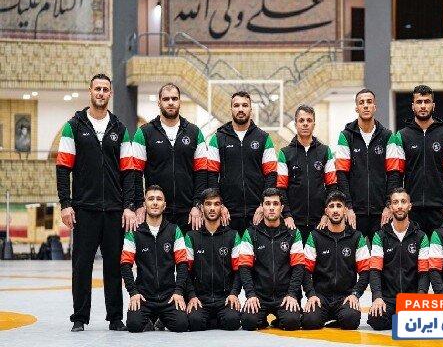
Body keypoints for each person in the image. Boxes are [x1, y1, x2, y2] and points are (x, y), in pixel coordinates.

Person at [56, 73, 135, 332]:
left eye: (105, 89)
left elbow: (129, 172)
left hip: (113, 210)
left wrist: (128, 206)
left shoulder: (120, 129)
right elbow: (63, 168)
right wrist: (65, 203)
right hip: (84, 209)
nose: (101, 93)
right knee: (82, 266)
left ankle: (115, 317)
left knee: (114, 266)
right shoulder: (73, 126)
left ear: (110, 93)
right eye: (97, 89)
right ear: (90, 91)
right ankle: (79, 317)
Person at [132, 82, 211, 233]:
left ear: (179, 101)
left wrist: (197, 204)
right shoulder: (144, 133)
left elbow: (202, 174)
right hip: (156, 211)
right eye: (166, 99)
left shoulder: (195, 133)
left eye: (174, 99)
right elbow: (135, 173)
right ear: (159, 102)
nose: (170, 102)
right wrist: (139, 204)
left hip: (188, 213)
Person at [120, 185, 189, 333]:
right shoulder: (134, 232)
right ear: (145, 204)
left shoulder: (174, 230)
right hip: (144, 296)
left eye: (159, 199)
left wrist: (178, 291)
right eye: (151, 199)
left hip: (168, 296)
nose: (155, 202)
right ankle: (151, 319)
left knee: (182, 324)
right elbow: (125, 265)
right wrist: (133, 293)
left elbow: (183, 264)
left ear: (164, 205)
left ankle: (161, 318)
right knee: (134, 325)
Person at [334, 89, 401, 240]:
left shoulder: (387, 136)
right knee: (355, 254)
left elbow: (393, 173)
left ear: (375, 107)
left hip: (381, 212)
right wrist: (348, 207)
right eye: (361, 102)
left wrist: (388, 205)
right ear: (356, 108)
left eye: (369, 102)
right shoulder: (346, 136)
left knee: (381, 253)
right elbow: (341, 174)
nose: (365, 105)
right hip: (354, 213)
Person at [392, 85, 443, 237]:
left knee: (438, 251)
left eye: (427, 102)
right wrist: (397, 203)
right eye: (419, 102)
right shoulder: (402, 135)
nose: (423, 106)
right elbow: (397, 174)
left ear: (433, 105)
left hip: (439, 209)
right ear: (413, 106)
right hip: (411, 208)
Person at [207, 91, 277, 234]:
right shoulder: (218, 138)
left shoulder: (264, 138)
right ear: (231, 109)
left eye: (245, 105)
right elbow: (211, 175)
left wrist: (262, 205)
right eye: (236, 105)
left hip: (256, 213)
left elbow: (271, 175)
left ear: (251, 109)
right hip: (227, 213)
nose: (240, 109)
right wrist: (220, 205)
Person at [302, 191, 370, 330]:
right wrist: (311, 295)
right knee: (309, 321)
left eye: (339, 206)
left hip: (345, 297)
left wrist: (355, 294)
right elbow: (305, 270)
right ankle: (324, 316)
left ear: (345, 210)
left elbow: (365, 272)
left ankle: (340, 317)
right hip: (321, 297)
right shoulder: (314, 236)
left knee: (351, 320)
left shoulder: (357, 237)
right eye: (331, 206)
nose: (335, 210)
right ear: (326, 211)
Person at [238, 188, 304, 331]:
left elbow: (299, 267)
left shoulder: (293, 233)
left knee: (292, 322)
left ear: (282, 207)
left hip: (285, 296)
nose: (272, 208)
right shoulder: (250, 233)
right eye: (267, 204)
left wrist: (292, 294)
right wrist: (251, 295)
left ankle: (280, 319)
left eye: (275, 204)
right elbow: (244, 267)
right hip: (260, 297)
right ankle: (260, 319)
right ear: (262, 207)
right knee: (248, 322)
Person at [272, 105, 337, 241]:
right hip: (293, 222)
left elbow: (332, 186)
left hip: (320, 221)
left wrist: (326, 214)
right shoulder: (285, 153)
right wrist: (287, 215)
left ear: (314, 124)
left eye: (309, 120)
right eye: (301, 120)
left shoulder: (325, 151)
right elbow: (281, 188)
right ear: (296, 124)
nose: (305, 124)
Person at [368, 188, 429, 331]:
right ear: (390, 207)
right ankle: (402, 319)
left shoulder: (421, 237)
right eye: (395, 202)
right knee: (376, 320)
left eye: (403, 202)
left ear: (410, 206)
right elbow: (375, 270)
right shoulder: (379, 236)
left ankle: (402, 318)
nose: (400, 206)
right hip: (387, 299)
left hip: (412, 299)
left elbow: (424, 273)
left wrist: (420, 297)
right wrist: (377, 297)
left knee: (420, 322)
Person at [186, 188, 241, 331]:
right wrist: (192, 296)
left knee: (233, 322)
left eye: (216, 204)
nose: (212, 208)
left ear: (221, 208)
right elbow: (185, 271)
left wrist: (234, 293)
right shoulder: (191, 237)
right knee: (194, 322)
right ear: (201, 207)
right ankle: (214, 320)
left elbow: (239, 270)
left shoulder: (233, 236)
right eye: (208, 204)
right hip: (200, 299)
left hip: (225, 299)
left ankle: (215, 319)